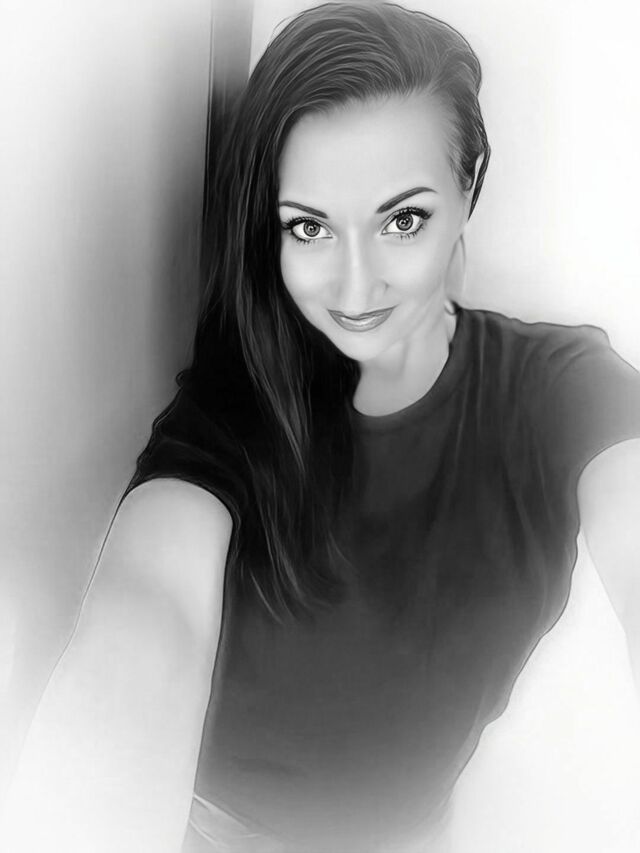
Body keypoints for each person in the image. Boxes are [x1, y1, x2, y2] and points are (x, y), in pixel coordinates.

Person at [3, 2, 640, 852]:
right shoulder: (224, 428)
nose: (355, 285)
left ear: (469, 187)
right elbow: (139, 634)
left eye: (403, 219)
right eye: (310, 227)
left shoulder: (562, 389)